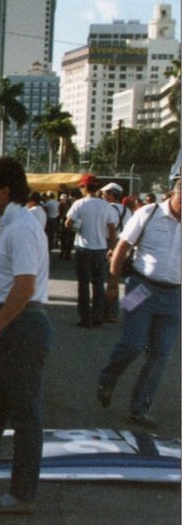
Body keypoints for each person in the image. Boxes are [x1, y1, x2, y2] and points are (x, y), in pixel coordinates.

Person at [0, 157, 52, 515]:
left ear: (5, 190)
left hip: (23, 324)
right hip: (20, 324)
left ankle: (22, 495)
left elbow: (24, 288)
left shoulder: (20, 227)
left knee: (24, 416)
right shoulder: (13, 222)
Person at [95, 175, 181, 429]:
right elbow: (122, 248)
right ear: (174, 194)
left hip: (174, 296)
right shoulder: (148, 213)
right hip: (140, 288)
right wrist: (112, 283)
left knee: (159, 355)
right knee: (132, 344)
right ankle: (108, 377)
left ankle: (139, 409)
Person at [64, 174, 118, 327]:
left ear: (84, 187)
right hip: (101, 249)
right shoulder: (106, 206)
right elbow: (112, 228)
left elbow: (68, 223)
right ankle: (98, 315)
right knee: (98, 284)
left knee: (83, 284)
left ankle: (85, 317)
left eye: (81, 187)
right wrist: (112, 248)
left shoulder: (79, 204)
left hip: (83, 248)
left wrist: (78, 227)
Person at [100, 182, 129, 322]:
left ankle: (108, 311)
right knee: (115, 279)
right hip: (123, 243)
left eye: (104, 193)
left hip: (109, 243)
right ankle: (114, 311)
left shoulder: (109, 209)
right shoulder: (127, 210)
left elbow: (108, 228)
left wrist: (112, 246)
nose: (102, 196)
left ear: (111, 195)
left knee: (107, 278)